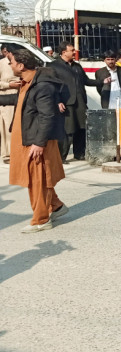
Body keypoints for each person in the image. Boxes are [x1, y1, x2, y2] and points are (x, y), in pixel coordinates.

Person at [8, 49, 68, 232]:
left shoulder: (42, 86)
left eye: (10, 61)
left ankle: (41, 219)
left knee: (37, 180)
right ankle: (56, 206)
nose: (9, 64)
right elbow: (22, 102)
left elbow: (47, 115)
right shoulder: (29, 82)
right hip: (28, 137)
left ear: (20, 65)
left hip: (36, 140)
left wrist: (39, 143)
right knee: (38, 177)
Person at [50, 42, 94, 162]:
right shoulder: (54, 66)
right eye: (72, 50)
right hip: (66, 102)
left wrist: (101, 82)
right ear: (64, 52)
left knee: (81, 128)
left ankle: (79, 153)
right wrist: (58, 101)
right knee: (68, 130)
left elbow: (86, 81)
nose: (75, 52)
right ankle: (61, 156)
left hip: (80, 101)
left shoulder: (77, 66)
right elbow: (52, 86)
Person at [1, 44, 19, 163]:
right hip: (5, 99)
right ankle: (8, 155)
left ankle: (18, 153)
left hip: (19, 97)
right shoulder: (1, 63)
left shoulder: (19, 62)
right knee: (8, 128)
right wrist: (9, 85)